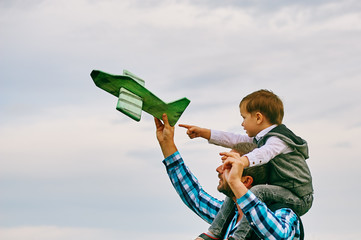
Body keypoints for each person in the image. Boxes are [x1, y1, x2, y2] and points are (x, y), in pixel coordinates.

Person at [179, 89, 313, 239]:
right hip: (281, 190)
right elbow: (234, 139)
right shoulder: (262, 138)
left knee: (255, 192)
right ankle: (213, 233)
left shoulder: (278, 140)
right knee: (236, 190)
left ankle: (238, 237)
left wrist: (241, 161)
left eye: (243, 118)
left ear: (258, 118)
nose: (242, 123)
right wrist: (204, 133)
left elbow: (264, 154)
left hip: (299, 197)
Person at [155, 113, 303, 240]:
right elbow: (196, 197)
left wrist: (235, 183)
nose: (219, 169)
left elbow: (280, 237)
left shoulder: (284, 214)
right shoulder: (228, 217)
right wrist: (167, 143)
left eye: (228, 166)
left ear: (246, 181)